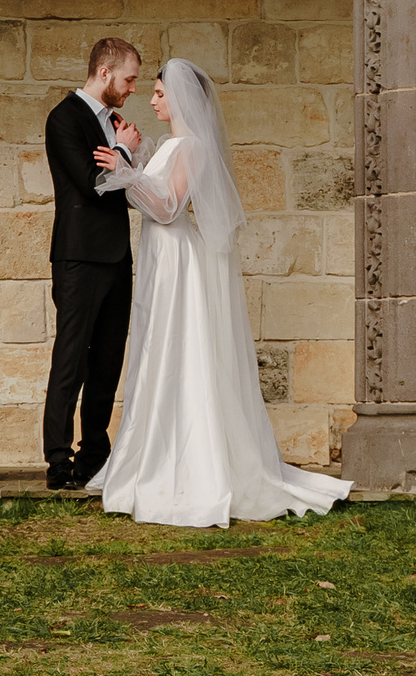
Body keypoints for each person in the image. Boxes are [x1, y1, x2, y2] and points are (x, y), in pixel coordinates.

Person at [89, 58, 351, 528]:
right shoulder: (175, 145)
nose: (151, 101)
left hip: (175, 259)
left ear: (180, 98)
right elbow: (159, 190)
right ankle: (149, 452)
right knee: (156, 346)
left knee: (176, 349)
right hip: (159, 257)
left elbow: (167, 208)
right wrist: (139, 155)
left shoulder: (193, 147)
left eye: (159, 94)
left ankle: (185, 463)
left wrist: (127, 167)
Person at [40, 38, 144, 491]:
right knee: (71, 359)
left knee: (107, 359)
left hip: (117, 257)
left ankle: (95, 455)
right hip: (79, 258)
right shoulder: (64, 118)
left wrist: (129, 154)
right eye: (129, 79)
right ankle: (59, 462)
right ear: (105, 73)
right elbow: (89, 183)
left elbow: (126, 187)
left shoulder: (116, 123)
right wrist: (121, 153)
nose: (132, 89)